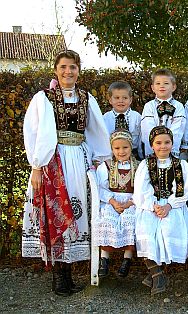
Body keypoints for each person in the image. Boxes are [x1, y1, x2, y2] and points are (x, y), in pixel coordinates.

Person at [22, 50, 111, 296]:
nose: (67, 71)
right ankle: (58, 278)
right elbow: (34, 133)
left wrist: (98, 160)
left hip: (78, 159)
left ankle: (68, 274)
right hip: (54, 160)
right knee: (55, 212)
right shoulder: (44, 98)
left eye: (72, 67)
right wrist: (37, 165)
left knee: (74, 211)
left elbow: (97, 132)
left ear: (78, 70)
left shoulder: (86, 97)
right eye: (63, 67)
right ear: (55, 69)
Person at [133, 126, 188, 295]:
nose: (163, 146)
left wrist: (168, 206)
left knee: (169, 229)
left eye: (167, 142)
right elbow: (141, 190)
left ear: (172, 144)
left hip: (173, 205)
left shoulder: (181, 164)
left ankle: (155, 273)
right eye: (158, 143)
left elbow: (184, 190)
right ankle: (157, 275)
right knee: (147, 228)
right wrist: (154, 205)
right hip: (150, 206)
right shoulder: (146, 165)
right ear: (152, 145)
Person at [94, 130, 139, 278]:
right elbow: (100, 188)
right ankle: (104, 259)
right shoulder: (106, 166)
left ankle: (127, 259)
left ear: (131, 147)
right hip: (111, 200)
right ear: (112, 149)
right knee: (107, 220)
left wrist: (128, 204)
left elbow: (142, 189)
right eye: (117, 148)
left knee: (130, 221)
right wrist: (112, 201)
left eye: (125, 147)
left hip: (131, 201)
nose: (121, 151)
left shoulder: (139, 166)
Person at [141, 68, 186, 158]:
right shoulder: (149, 106)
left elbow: (178, 129)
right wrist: (156, 146)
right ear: (152, 88)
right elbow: (147, 128)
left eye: (166, 83)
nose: (162, 86)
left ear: (173, 87)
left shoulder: (178, 106)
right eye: (158, 83)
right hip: (153, 150)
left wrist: (168, 147)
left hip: (172, 149)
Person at [103, 81, 143, 159]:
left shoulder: (137, 117)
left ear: (130, 100)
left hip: (134, 156)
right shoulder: (105, 118)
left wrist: (141, 157)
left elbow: (140, 139)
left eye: (125, 98)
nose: (121, 101)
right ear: (110, 100)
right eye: (117, 98)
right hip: (112, 156)